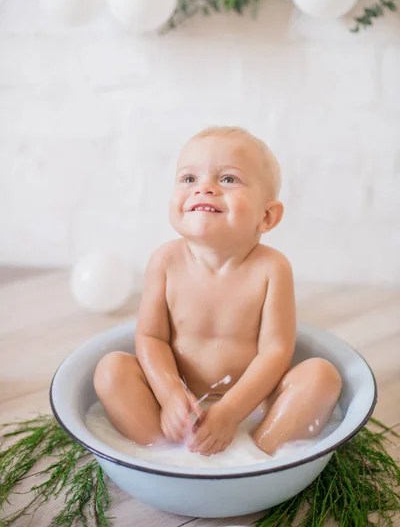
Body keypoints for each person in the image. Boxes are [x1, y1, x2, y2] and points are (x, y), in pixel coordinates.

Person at [94, 126, 342, 456]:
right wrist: (169, 395)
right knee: (111, 370)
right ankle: (163, 452)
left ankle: (259, 453)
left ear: (266, 216)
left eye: (227, 179)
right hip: (179, 404)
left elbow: (275, 352)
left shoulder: (271, 268)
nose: (204, 189)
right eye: (188, 179)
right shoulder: (165, 261)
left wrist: (230, 412)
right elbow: (151, 338)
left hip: (254, 404)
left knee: (322, 376)